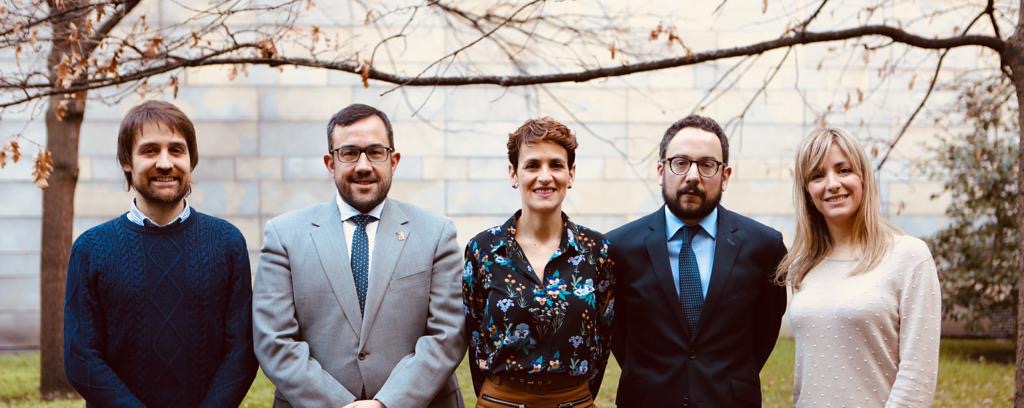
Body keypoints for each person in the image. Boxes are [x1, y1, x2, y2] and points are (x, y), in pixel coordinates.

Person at [253, 103, 466, 408]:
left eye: (375, 152)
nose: (363, 165)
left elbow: (447, 335)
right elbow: (274, 341)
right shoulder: (284, 235)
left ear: (393, 161)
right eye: (349, 153)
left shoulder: (436, 234)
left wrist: (386, 404)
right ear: (330, 163)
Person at [63, 100, 257, 407]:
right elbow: (80, 357)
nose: (165, 163)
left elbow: (242, 351)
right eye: (150, 150)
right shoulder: (91, 249)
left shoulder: (227, 242)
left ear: (192, 160)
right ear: (127, 161)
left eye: (176, 150)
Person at [607, 114, 787, 407]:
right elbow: (619, 335)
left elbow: (765, 332)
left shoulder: (764, 247)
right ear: (661, 171)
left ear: (725, 176)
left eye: (706, 165)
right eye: (680, 162)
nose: (692, 176)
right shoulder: (619, 248)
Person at [777, 128, 940, 407]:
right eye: (817, 176)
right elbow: (805, 375)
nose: (832, 184)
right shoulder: (804, 265)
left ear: (863, 177)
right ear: (807, 191)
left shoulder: (909, 257)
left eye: (843, 170)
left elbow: (917, 378)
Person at [463, 117, 614, 408]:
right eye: (533, 165)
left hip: (574, 401)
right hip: (501, 401)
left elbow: (604, 339)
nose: (544, 176)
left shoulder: (597, 250)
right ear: (514, 174)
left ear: (571, 174)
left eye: (555, 165)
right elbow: (473, 336)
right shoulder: (483, 250)